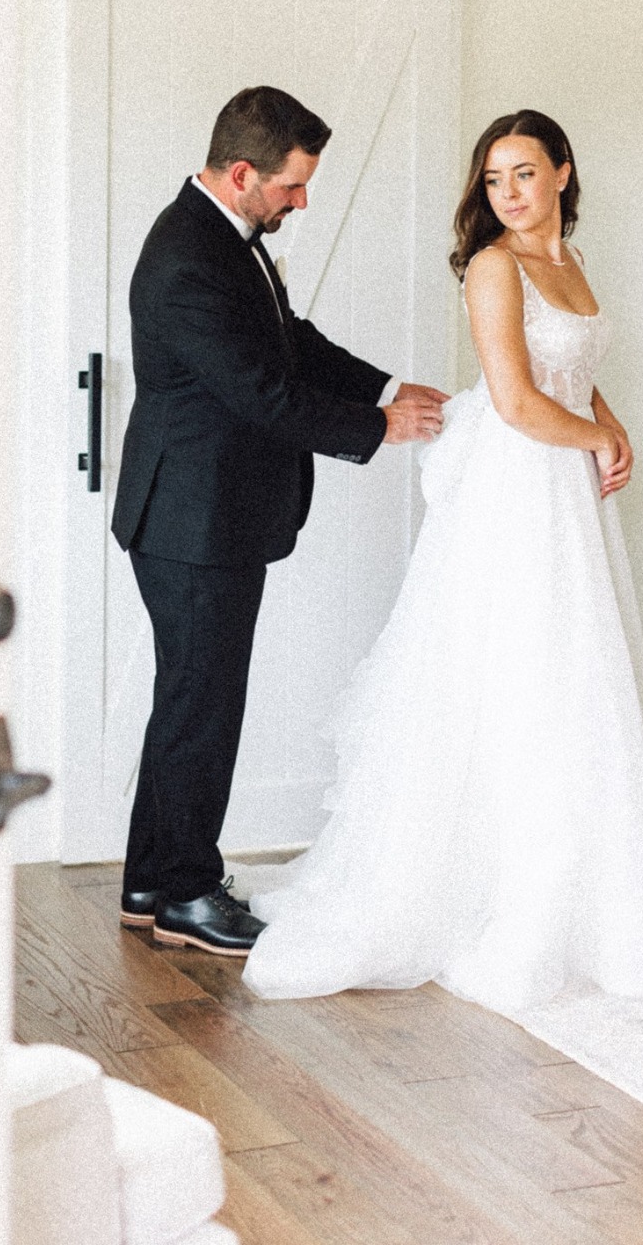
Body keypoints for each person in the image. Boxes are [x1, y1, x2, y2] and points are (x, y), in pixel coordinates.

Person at [245, 109, 643, 1011]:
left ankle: (598, 899)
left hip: (563, 483)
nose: (509, 194)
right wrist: (596, 440)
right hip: (521, 487)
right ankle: (505, 897)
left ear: (563, 173)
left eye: (524, 174)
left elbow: (571, 368)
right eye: (494, 180)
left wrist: (610, 423)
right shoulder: (495, 267)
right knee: (523, 672)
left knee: (575, 673)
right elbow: (518, 398)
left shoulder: (568, 263)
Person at [111, 85, 447, 956]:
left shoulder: (227, 239)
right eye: (293, 187)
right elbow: (260, 395)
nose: (302, 202)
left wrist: (381, 387)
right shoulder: (189, 258)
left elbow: (289, 344)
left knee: (187, 700)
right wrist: (378, 430)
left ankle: (152, 880)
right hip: (192, 520)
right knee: (203, 705)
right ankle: (186, 894)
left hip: (200, 514)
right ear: (242, 172)